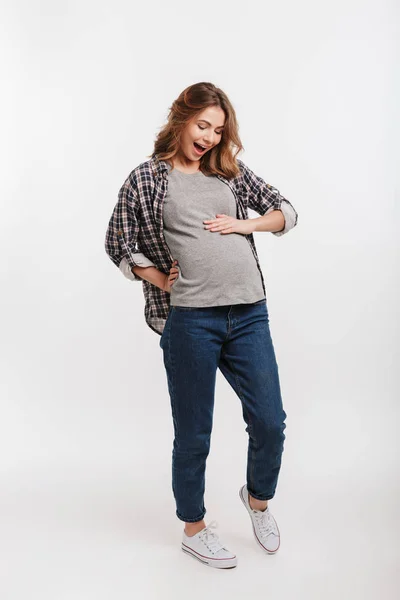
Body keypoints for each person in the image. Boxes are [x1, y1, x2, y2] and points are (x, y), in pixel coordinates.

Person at [105, 81, 298, 569]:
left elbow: (285, 212)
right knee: (194, 433)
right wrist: (160, 281)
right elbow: (118, 242)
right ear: (181, 119)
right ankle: (194, 528)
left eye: (218, 129)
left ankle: (257, 501)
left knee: (270, 421)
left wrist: (243, 225)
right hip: (192, 321)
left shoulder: (228, 172)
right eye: (203, 125)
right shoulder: (148, 178)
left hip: (250, 312)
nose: (210, 137)